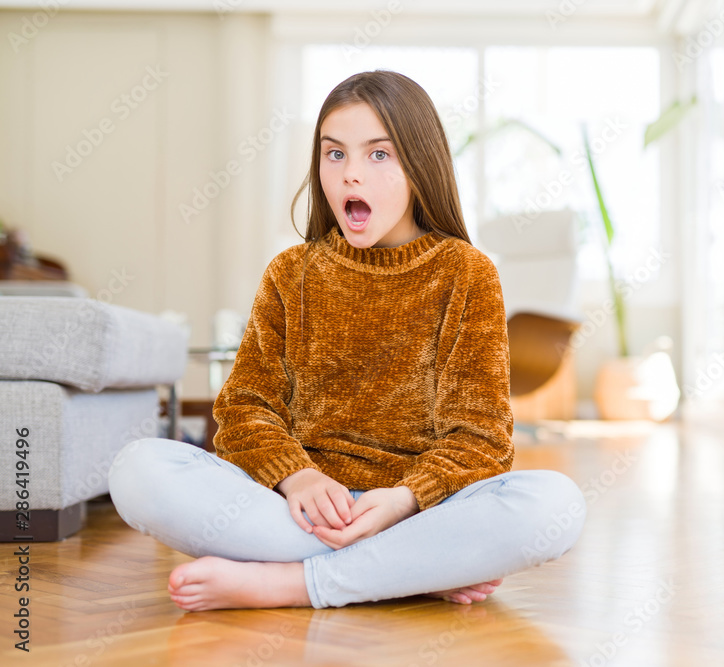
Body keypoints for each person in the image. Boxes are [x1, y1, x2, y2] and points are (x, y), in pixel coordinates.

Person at [108, 70, 586, 612]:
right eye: (334, 155)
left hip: (417, 510)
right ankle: (410, 571)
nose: (351, 176)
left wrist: (404, 502)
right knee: (136, 468)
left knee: (557, 505)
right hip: (299, 512)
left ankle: (290, 584)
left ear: (419, 164)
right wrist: (299, 478)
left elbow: (481, 438)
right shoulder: (291, 273)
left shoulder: (467, 273)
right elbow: (244, 410)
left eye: (378, 155)